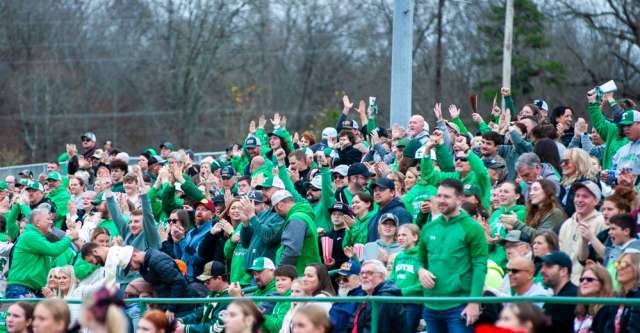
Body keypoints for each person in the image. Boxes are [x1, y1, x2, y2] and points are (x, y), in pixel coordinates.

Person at [418, 179, 488, 332]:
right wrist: (420, 271)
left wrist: (474, 302)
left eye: (447, 197)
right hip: (430, 304)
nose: (441, 200)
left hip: (459, 305)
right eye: (439, 196)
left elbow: (480, 266)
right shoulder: (429, 228)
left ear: (460, 199)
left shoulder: (473, 228)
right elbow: (419, 259)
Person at [6, 208, 78, 298]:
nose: (51, 222)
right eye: (48, 219)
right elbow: (53, 250)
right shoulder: (30, 236)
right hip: (21, 288)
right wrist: (69, 237)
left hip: (33, 289)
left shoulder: (37, 237)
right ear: (38, 223)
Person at [558, 180, 606, 284]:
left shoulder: (602, 222)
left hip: (588, 284)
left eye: (585, 196)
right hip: (565, 284)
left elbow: (606, 256)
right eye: (577, 196)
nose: (579, 200)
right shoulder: (566, 224)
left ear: (596, 201)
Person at [270, 190, 321, 274]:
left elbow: (292, 250)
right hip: (307, 272)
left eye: (275, 209)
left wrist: (279, 272)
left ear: (280, 205)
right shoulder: (303, 215)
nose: (276, 213)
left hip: (302, 274)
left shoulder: (296, 219)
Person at [350, 259, 405, 333]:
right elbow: (351, 324)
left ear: (382, 276)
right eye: (362, 273)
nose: (364, 276)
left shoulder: (385, 298)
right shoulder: (366, 294)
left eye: (370, 273)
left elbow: (375, 329)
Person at [176, 261, 230, 333]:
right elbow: (201, 312)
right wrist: (182, 320)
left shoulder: (228, 298)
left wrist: (186, 329)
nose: (204, 284)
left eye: (207, 281)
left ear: (219, 278)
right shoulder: (213, 292)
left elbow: (216, 328)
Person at [388, 223, 423, 332]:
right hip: (396, 303)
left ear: (415, 237)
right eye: (398, 235)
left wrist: (399, 292)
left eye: (404, 235)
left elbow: (423, 285)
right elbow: (391, 279)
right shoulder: (398, 257)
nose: (400, 238)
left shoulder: (422, 256)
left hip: (413, 304)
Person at [597, 251, 640, 332]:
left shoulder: (638, 297)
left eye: (624, 264)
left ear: (636, 268)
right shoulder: (616, 299)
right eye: (618, 264)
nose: (619, 268)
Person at [540, 251, 577, 333]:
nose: (542, 271)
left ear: (563, 271)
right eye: (542, 266)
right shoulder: (553, 299)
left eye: (548, 266)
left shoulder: (572, 297)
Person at [366, 177, 412, 242]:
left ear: (392, 192)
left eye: (381, 189)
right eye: (375, 190)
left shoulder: (401, 213)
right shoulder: (373, 218)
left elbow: (407, 242)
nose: (377, 193)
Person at [558, 148, 599, 217]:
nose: (562, 165)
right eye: (562, 161)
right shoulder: (564, 183)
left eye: (566, 162)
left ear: (579, 163)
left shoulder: (587, 184)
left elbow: (572, 211)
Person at [574, 264, 613, 333]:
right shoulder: (580, 310)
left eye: (589, 279)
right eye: (581, 280)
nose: (584, 282)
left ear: (602, 284)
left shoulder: (609, 310)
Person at [328, 259, 366, 332]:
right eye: (339, 279)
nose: (341, 282)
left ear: (358, 279)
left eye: (345, 279)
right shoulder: (342, 295)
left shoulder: (361, 298)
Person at [263, 265, 297, 333]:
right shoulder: (281, 299)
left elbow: (278, 328)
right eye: (277, 280)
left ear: (293, 281)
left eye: (283, 279)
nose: (279, 283)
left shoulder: (290, 300)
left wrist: (262, 316)